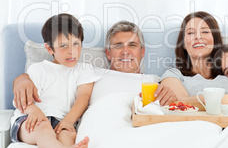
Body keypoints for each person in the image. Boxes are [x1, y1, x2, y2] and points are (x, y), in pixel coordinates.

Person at [13, 20, 176, 111]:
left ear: (142, 52)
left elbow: (175, 110)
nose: (125, 51)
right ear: (108, 53)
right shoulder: (90, 74)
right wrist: (22, 79)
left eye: (132, 45)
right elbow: (54, 72)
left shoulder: (156, 81)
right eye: (118, 45)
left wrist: (171, 99)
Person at [10, 14, 101, 148]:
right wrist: (34, 111)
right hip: (31, 119)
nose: (71, 51)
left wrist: (68, 121)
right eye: (63, 46)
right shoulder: (39, 69)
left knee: (67, 134)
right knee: (43, 127)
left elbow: (83, 98)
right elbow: (23, 99)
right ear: (49, 48)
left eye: (76, 44)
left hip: (62, 120)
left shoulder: (84, 70)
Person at [160, 11, 228, 108]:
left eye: (205, 31)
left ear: (215, 39)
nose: (198, 37)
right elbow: (181, 102)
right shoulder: (174, 74)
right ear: (183, 44)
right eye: (191, 33)